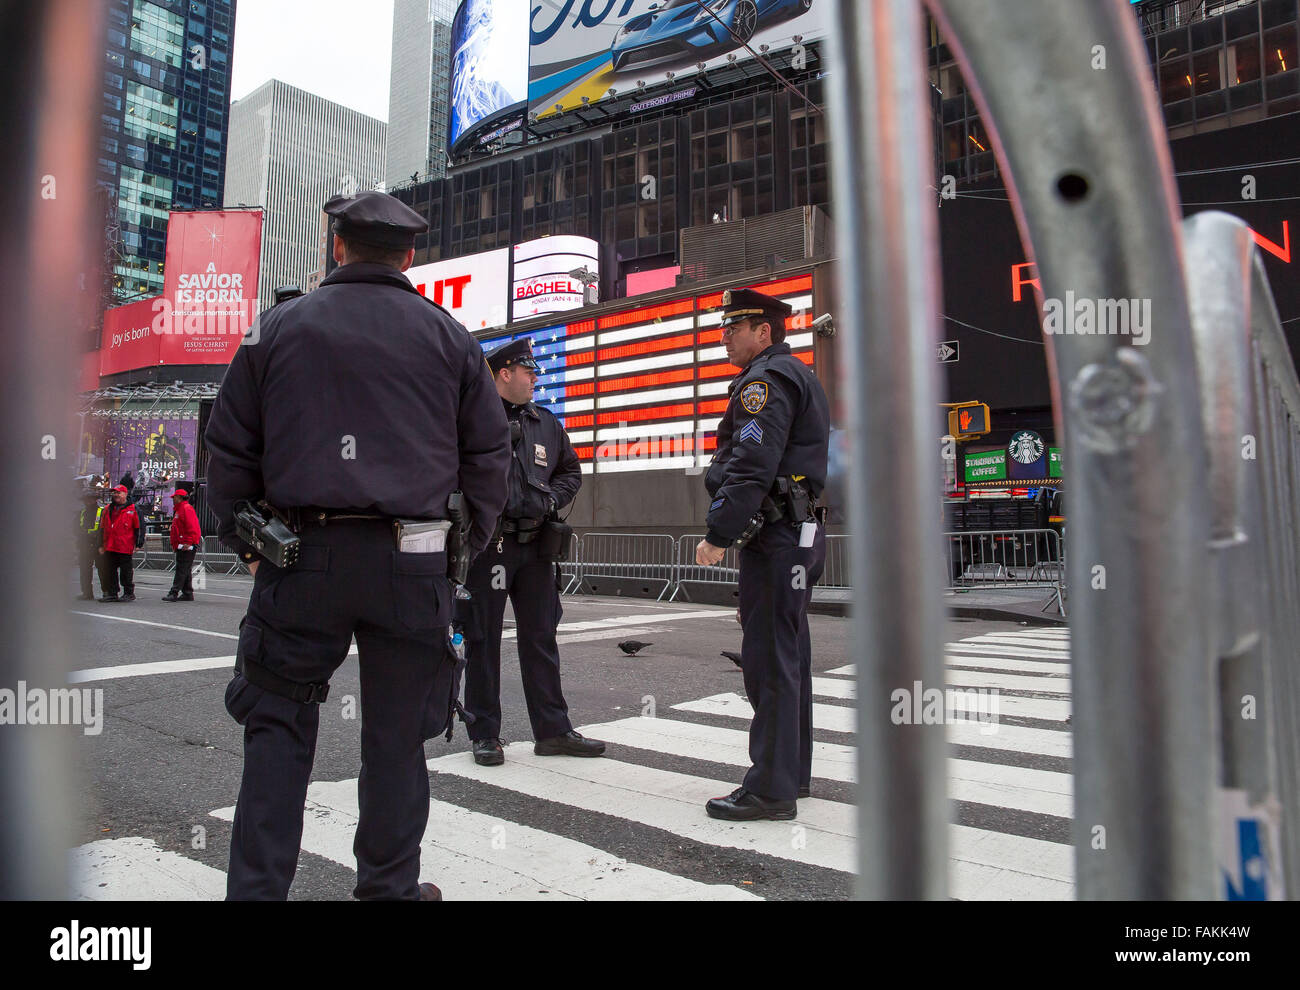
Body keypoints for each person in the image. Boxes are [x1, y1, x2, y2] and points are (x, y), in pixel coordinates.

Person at [205, 190, 511, 902]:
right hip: (412, 562)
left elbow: (228, 445)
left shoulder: (275, 328)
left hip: (299, 556)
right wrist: (461, 549)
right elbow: (489, 456)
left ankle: (255, 893)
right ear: (409, 257)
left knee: (278, 729)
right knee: (397, 740)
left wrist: (244, 536)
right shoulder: (450, 336)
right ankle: (387, 890)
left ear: (336, 248)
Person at [694, 288, 829, 821]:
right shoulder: (799, 374)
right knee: (790, 654)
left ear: (764, 332)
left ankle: (771, 791)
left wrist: (719, 534)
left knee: (769, 660)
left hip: (775, 537)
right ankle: (791, 774)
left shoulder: (764, 381)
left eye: (735, 327)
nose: (725, 336)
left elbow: (751, 465)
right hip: (799, 533)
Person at [455, 338, 606, 768]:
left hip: (537, 546)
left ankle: (553, 730)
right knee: (482, 640)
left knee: (541, 638)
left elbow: (570, 471)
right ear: (504, 373)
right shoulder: (474, 420)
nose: (536, 377)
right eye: (529, 371)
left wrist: (546, 500)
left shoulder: (545, 422)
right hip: (490, 546)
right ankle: (485, 733)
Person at [98, 485, 139, 602]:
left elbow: (138, 527)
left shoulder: (133, 509)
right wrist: (100, 544)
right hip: (110, 545)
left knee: (126, 571)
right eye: (114, 493)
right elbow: (101, 528)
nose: (115, 495)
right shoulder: (107, 509)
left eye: (118, 492)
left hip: (125, 545)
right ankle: (112, 593)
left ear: (125, 494)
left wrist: (138, 543)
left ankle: (128, 593)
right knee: (110, 570)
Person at [163, 487, 202, 602]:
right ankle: (187, 592)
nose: (173, 499)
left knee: (181, 569)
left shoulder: (185, 509)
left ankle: (174, 592)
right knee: (185, 568)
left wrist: (188, 542)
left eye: (174, 497)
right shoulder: (183, 509)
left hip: (186, 544)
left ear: (179, 498)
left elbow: (193, 527)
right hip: (184, 543)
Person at [76, 488, 106, 601]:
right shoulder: (81, 513)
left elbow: (104, 529)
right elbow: (76, 527)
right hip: (85, 545)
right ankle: (87, 593)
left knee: (102, 569)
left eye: (90, 499)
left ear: (95, 500)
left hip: (98, 545)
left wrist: (101, 543)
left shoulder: (102, 512)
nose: (88, 501)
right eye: (86, 499)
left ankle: (106, 592)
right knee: (84, 570)